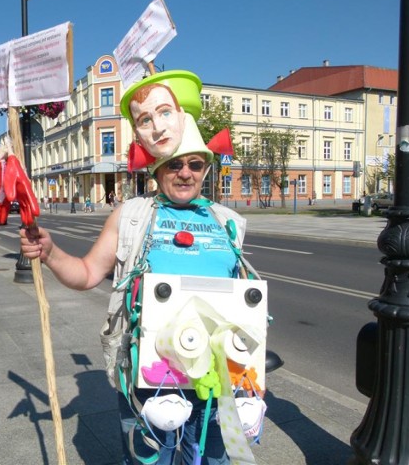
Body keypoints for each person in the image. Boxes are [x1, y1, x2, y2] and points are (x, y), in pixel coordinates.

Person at [20, 71, 260, 465]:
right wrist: (49, 252)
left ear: (206, 168)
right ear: (157, 169)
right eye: (174, 165)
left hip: (219, 380)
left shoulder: (228, 221)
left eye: (196, 164)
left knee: (216, 461)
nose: (186, 173)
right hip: (151, 380)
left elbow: (243, 298)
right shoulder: (131, 215)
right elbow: (86, 273)